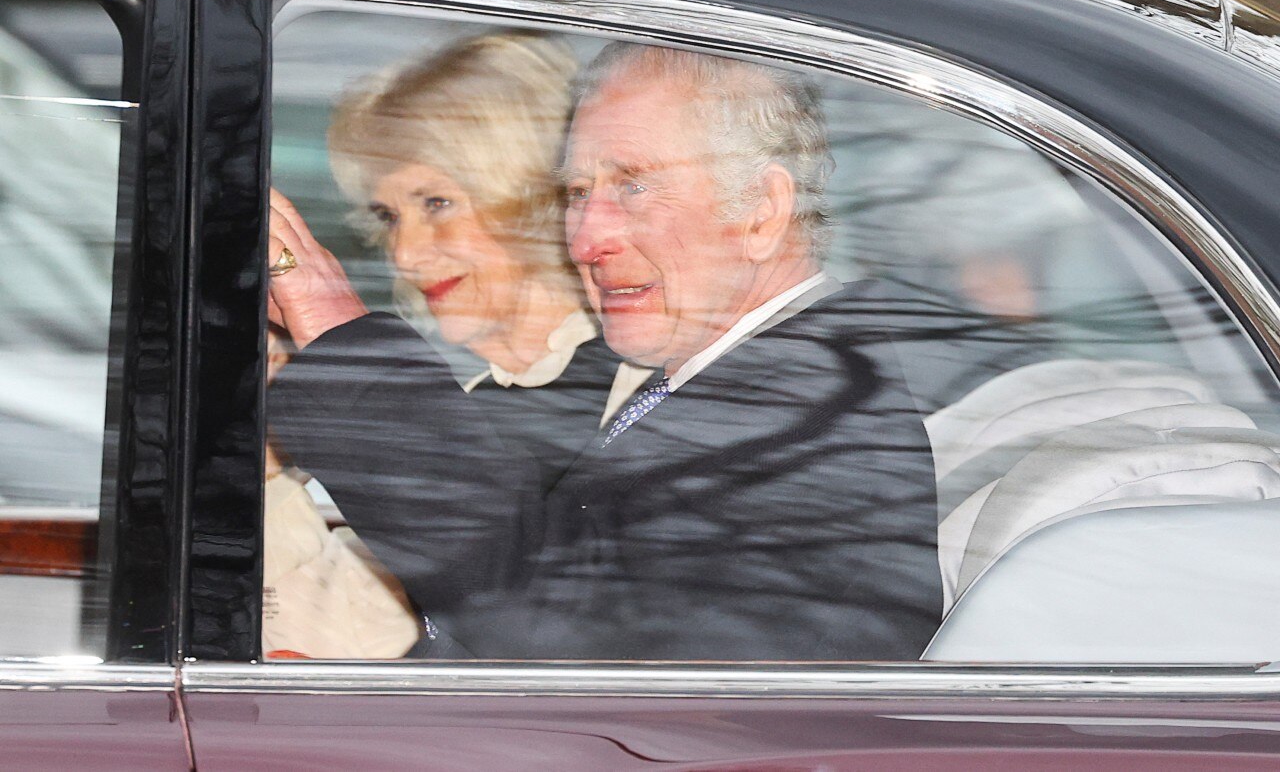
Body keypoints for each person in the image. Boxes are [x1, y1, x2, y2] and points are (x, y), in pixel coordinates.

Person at [270, 42, 941, 660]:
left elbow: (556, 628)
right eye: (578, 193)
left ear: (762, 212)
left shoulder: (811, 422)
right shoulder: (738, 389)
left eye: (633, 185)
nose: (586, 238)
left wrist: (336, 327)